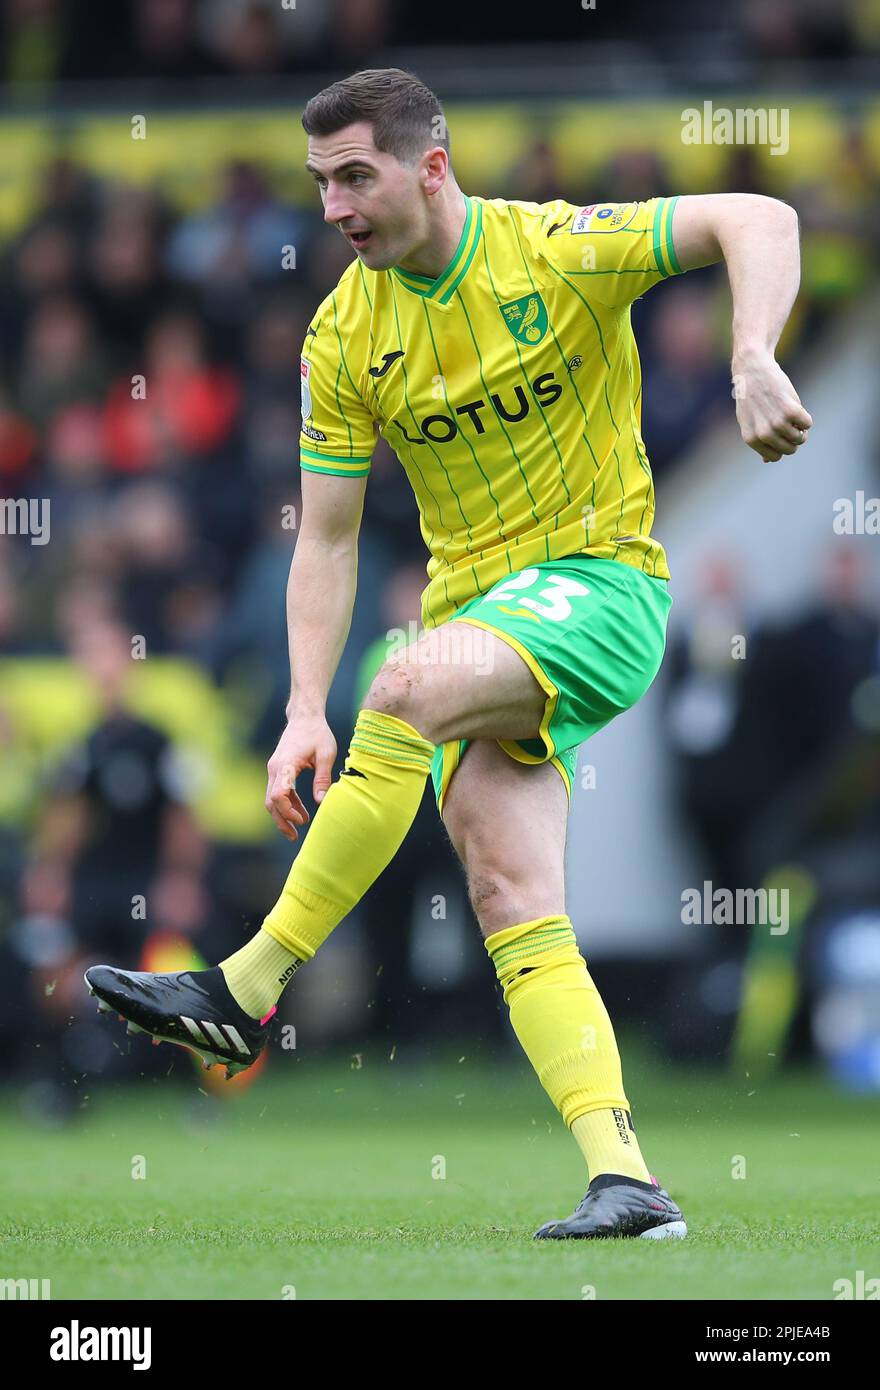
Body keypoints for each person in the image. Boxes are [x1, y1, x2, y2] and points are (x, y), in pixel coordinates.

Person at [87, 67, 812, 1241]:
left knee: (409, 678)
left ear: (431, 167)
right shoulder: (343, 333)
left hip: (601, 589)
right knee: (507, 888)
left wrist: (749, 357)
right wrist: (303, 709)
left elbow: (760, 217)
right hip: (479, 620)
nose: (332, 208)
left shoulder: (556, 250)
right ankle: (627, 1178)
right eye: (319, 183)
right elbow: (324, 540)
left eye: (354, 176)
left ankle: (246, 986)